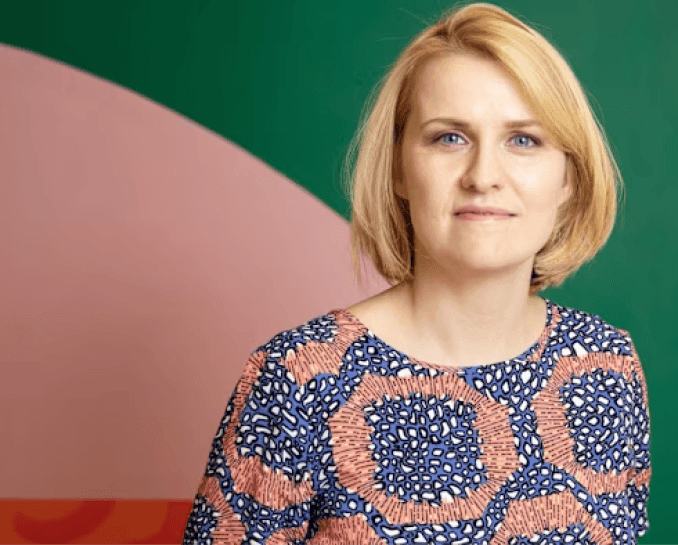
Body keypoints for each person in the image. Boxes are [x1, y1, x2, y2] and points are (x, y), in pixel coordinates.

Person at [182, 2, 650, 543]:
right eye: (450, 137)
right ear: (400, 167)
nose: (483, 176)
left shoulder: (607, 368)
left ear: (569, 177)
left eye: (524, 140)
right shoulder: (299, 379)